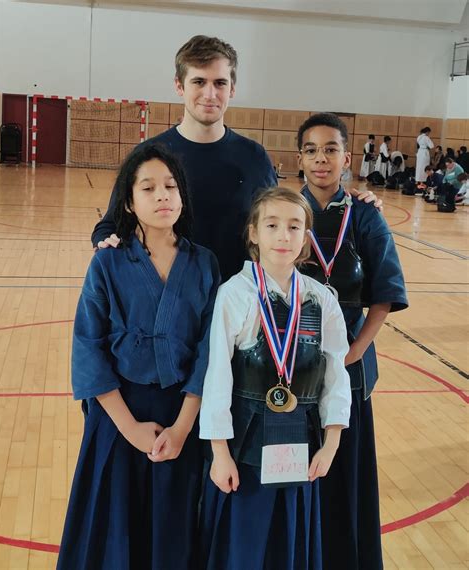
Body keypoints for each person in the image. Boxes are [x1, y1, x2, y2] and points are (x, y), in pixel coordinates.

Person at [92, 35, 381, 280]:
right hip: (172, 303)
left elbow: (280, 218)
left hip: (240, 305)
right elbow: (110, 225)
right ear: (179, 86)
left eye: (219, 83)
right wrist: (105, 244)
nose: (209, 93)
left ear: (232, 88)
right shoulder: (149, 156)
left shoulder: (253, 156)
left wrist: (355, 204)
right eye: (198, 82)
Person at [56, 142, 220, 570]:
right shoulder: (108, 262)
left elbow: (209, 352)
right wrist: (129, 428)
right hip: (118, 415)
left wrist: (183, 428)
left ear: (183, 196)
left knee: (173, 528)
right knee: (113, 526)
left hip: (180, 414)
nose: (162, 195)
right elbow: (88, 346)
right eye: (148, 188)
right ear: (129, 202)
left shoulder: (204, 263)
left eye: (170, 186)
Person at [199, 187, 352, 569]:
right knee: (245, 545)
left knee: (291, 542)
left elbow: (336, 373)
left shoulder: (321, 299)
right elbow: (216, 377)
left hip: (301, 443)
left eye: (294, 226)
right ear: (253, 233)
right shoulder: (234, 295)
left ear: (305, 237)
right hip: (246, 447)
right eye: (272, 225)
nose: (284, 235)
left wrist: (331, 443)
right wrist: (219, 454)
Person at [295, 112, 408, 570]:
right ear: (298, 158)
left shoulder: (365, 217)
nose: (321, 159)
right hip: (292, 367)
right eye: (311, 150)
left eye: (330, 150)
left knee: (344, 472)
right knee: (296, 469)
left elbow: (384, 295)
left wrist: (351, 354)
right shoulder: (284, 210)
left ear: (347, 157)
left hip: (350, 368)